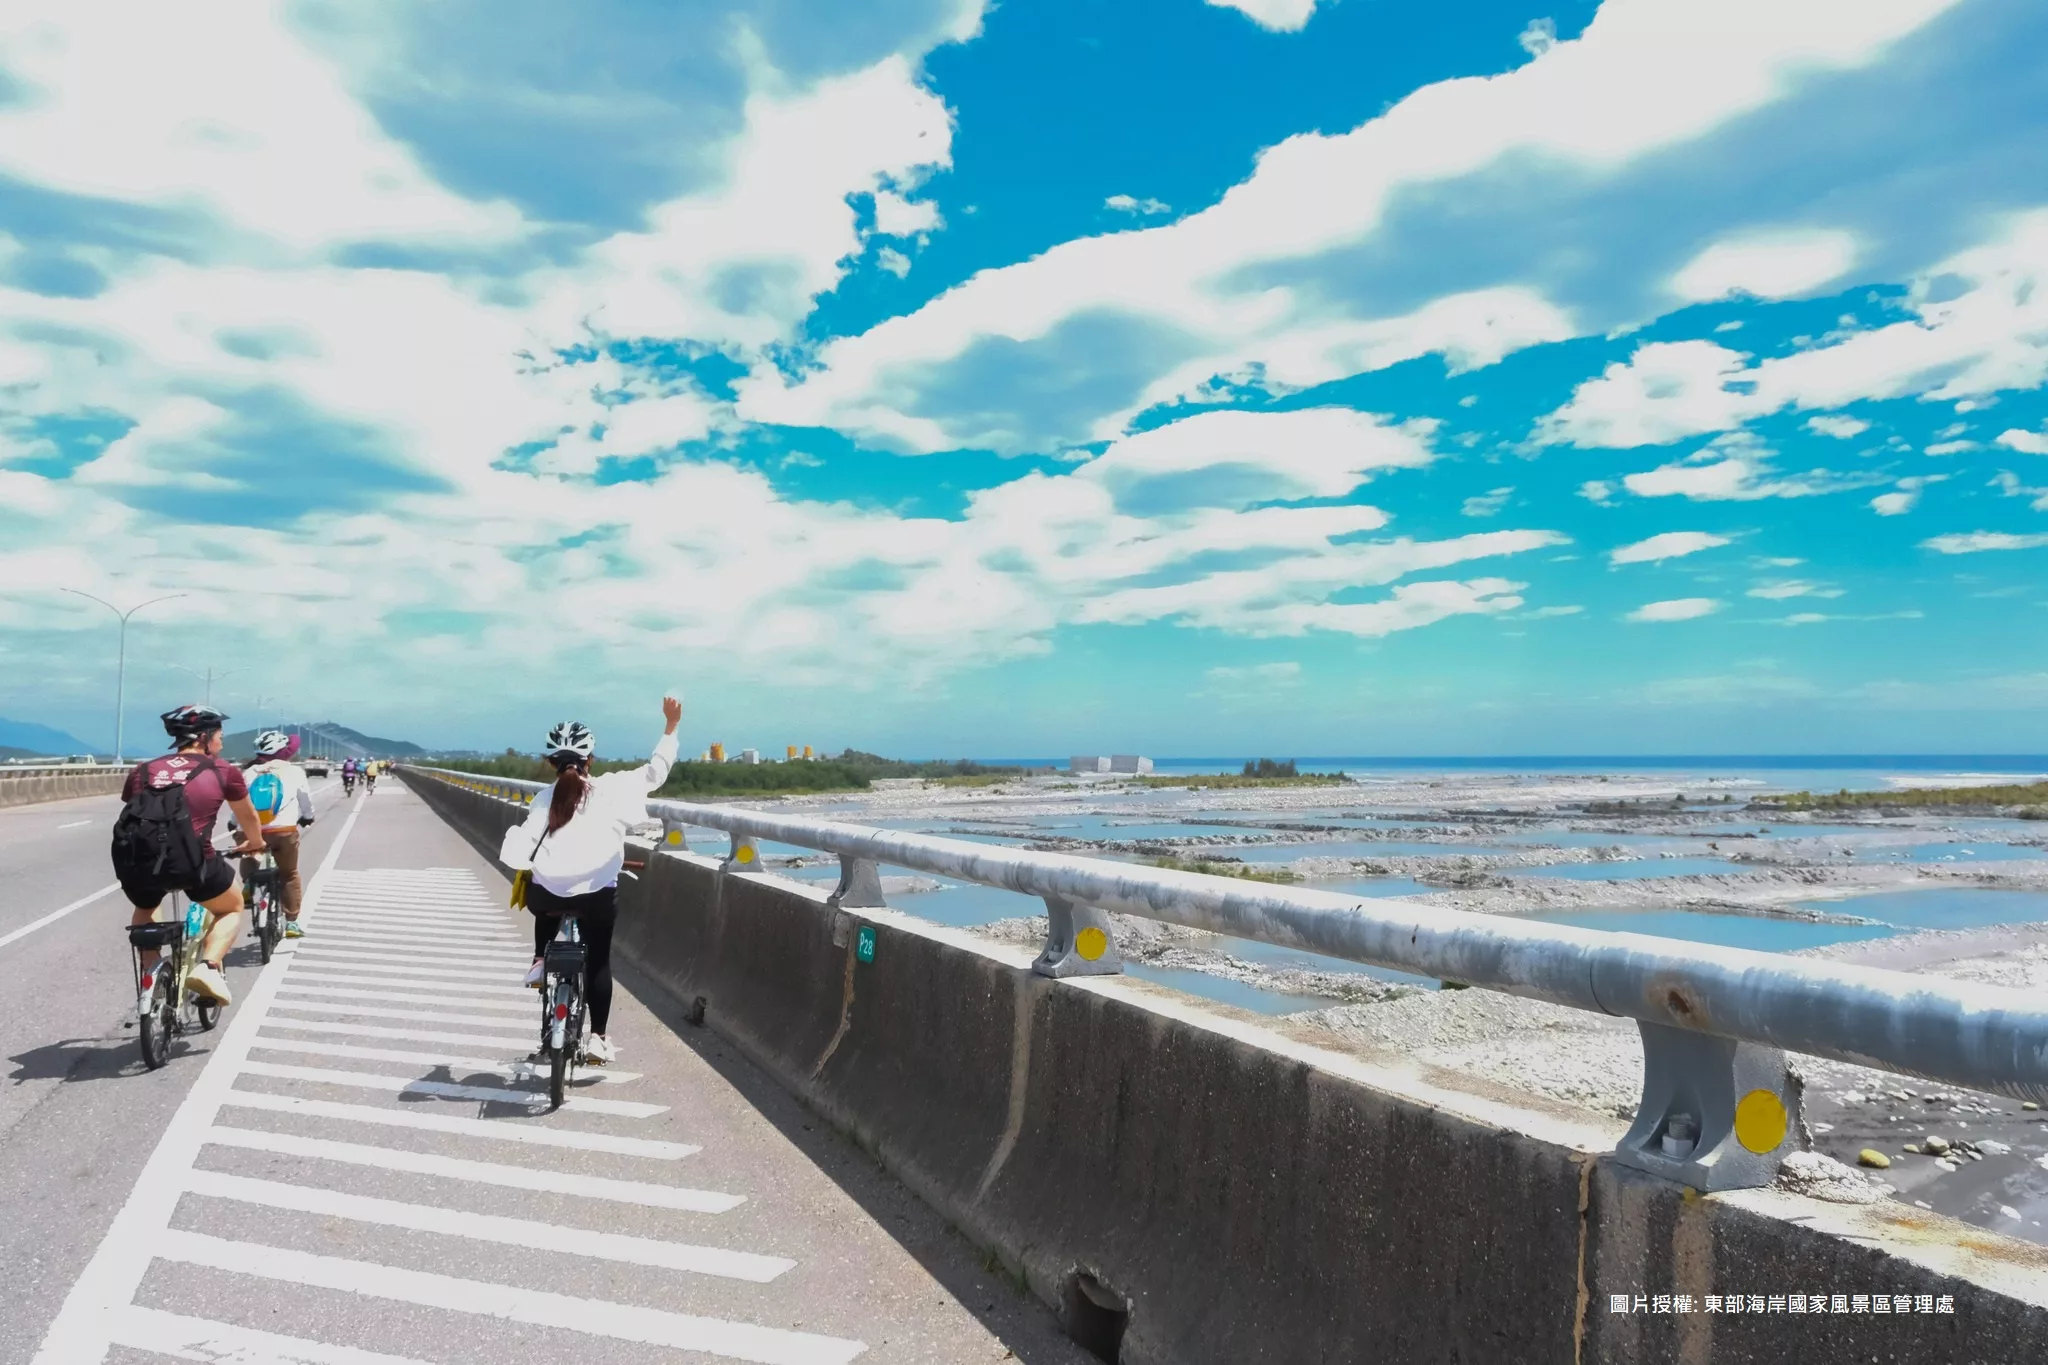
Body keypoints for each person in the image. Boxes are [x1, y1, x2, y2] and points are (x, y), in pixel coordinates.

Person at [498, 696, 680, 1066]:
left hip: (547, 898)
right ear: (590, 760)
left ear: (551, 763)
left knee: (543, 896)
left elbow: (518, 852)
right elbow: (655, 773)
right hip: (597, 897)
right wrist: (671, 726)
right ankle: (598, 1037)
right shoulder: (612, 790)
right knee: (598, 961)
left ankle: (538, 960)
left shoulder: (542, 799)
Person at [111, 705, 264, 1007]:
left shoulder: (142, 771)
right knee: (232, 907)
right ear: (204, 738)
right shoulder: (223, 771)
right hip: (193, 862)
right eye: (219, 736)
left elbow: (137, 812)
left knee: (146, 906)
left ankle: (153, 972)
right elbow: (249, 819)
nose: (221, 743)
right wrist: (254, 843)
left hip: (137, 860)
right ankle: (208, 967)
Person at [242, 729, 316, 939]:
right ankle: (292, 922)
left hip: (252, 831)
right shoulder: (294, 771)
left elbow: (238, 806)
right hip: (283, 831)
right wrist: (308, 817)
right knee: (289, 873)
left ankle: (248, 882)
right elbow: (306, 802)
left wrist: (233, 824)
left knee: (250, 851)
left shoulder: (248, 773)